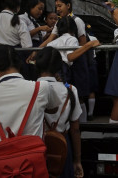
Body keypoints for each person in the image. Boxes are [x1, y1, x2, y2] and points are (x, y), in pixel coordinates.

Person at [35, 47, 84, 177]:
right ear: (59, 67)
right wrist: (77, 160)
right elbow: (75, 129)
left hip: (36, 144)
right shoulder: (71, 90)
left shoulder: (30, 88)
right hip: (63, 143)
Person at [47, 17, 100, 122]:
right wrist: (88, 45)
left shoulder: (52, 43)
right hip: (64, 73)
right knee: (75, 99)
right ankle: (81, 126)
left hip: (52, 73)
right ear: (74, 29)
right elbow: (70, 57)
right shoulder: (72, 39)